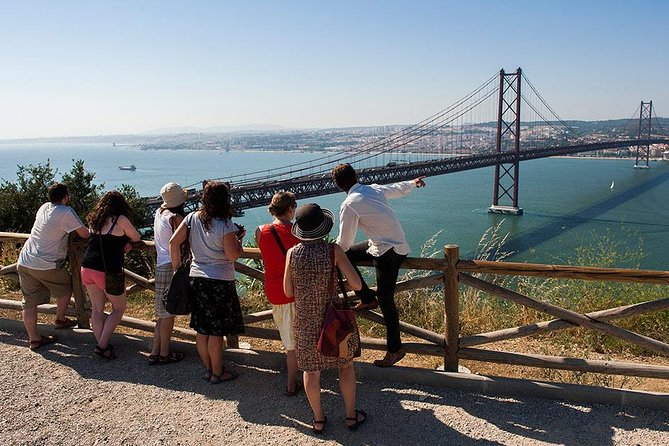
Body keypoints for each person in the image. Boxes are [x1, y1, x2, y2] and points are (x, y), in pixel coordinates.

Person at [331, 163, 427, 368]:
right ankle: (367, 297)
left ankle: (395, 349)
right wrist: (413, 182)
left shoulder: (349, 203)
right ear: (355, 176)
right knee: (346, 256)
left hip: (389, 251)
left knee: (385, 299)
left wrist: (329, 253)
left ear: (338, 185)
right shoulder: (372, 188)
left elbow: (344, 243)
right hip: (391, 243)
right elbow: (397, 189)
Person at [283, 203, 366, 434]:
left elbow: (289, 291)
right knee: (346, 367)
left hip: (305, 322)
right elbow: (357, 284)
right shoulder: (333, 251)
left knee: (311, 372)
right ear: (323, 227)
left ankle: (318, 419)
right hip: (334, 322)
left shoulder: (292, 253)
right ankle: (350, 417)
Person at [169, 181, 245, 384]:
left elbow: (173, 243)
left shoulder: (192, 218)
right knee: (216, 331)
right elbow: (232, 256)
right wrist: (239, 242)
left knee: (202, 329)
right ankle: (219, 373)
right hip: (219, 281)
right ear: (225, 200)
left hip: (196, 278)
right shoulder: (225, 224)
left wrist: (178, 270)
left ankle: (209, 369)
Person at [17, 183, 90, 350]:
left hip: (25, 259)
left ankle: (34, 339)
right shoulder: (65, 212)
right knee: (66, 287)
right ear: (65, 197)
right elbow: (84, 233)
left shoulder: (44, 207)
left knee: (28, 302)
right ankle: (60, 318)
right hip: (46, 263)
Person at [81, 191, 141, 360]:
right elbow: (136, 236)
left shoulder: (95, 218)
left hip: (87, 267)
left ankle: (103, 345)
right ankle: (101, 346)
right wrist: (125, 242)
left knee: (97, 309)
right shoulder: (120, 220)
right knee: (119, 308)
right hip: (107, 270)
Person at [255, 191, 301, 396]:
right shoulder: (298, 232)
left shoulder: (260, 231)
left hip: (274, 290)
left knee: (289, 339)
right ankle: (292, 384)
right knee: (296, 343)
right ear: (290, 209)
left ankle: (297, 380)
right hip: (294, 291)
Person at [148, 182, 188, 365]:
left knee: (161, 314)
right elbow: (184, 240)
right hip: (171, 266)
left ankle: (155, 352)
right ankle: (165, 353)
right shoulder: (176, 218)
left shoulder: (159, 213)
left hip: (160, 265)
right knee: (168, 315)